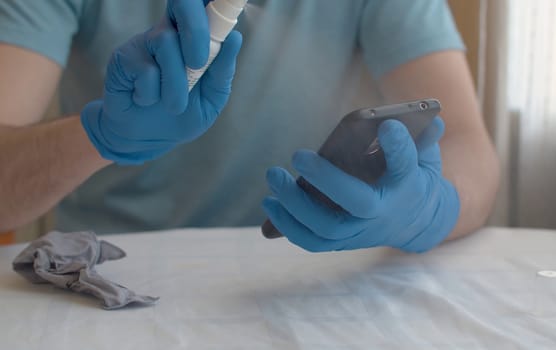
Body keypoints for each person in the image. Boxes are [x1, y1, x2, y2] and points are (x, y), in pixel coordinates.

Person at [0, 0, 499, 253]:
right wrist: (99, 134)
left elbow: (468, 145)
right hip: (114, 270)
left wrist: (431, 210)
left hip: (300, 282)